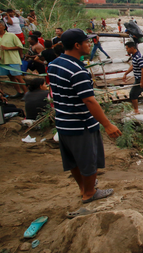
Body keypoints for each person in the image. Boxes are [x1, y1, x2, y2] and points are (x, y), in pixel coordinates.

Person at [47, 29, 122, 203]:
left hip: (63, 121)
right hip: (81, 123)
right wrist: (107, 124)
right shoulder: (78, 71)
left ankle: (83, 188)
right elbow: (89, 100)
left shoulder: (54, 64)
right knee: (89, 160)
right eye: (87, 42)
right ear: (77, 45)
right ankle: (89, 193)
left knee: (73, 160)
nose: (90, 45)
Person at [0, 19, 26, 98]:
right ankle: (19, 92)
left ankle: (26, 93)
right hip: (2, 60)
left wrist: (8, 48)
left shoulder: (12, 35)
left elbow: (20, 46)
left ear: (3, 27)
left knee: (18, 77)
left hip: (12, 59)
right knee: (11, 77)